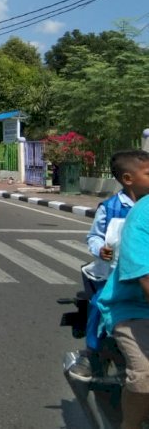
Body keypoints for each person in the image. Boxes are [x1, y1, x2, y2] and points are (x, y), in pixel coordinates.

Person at [70, 150, 149, 381]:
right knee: (99, 305)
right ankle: (91, 353)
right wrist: (100, 249)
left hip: (141, 272)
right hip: (111, 273)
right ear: (128, 179)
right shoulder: (111, 207)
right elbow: (94, 236)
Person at [96, 150, 149, 428]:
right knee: (145, 377)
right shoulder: (141, 214)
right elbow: (146, 279)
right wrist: (99, 248)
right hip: (134, 306)